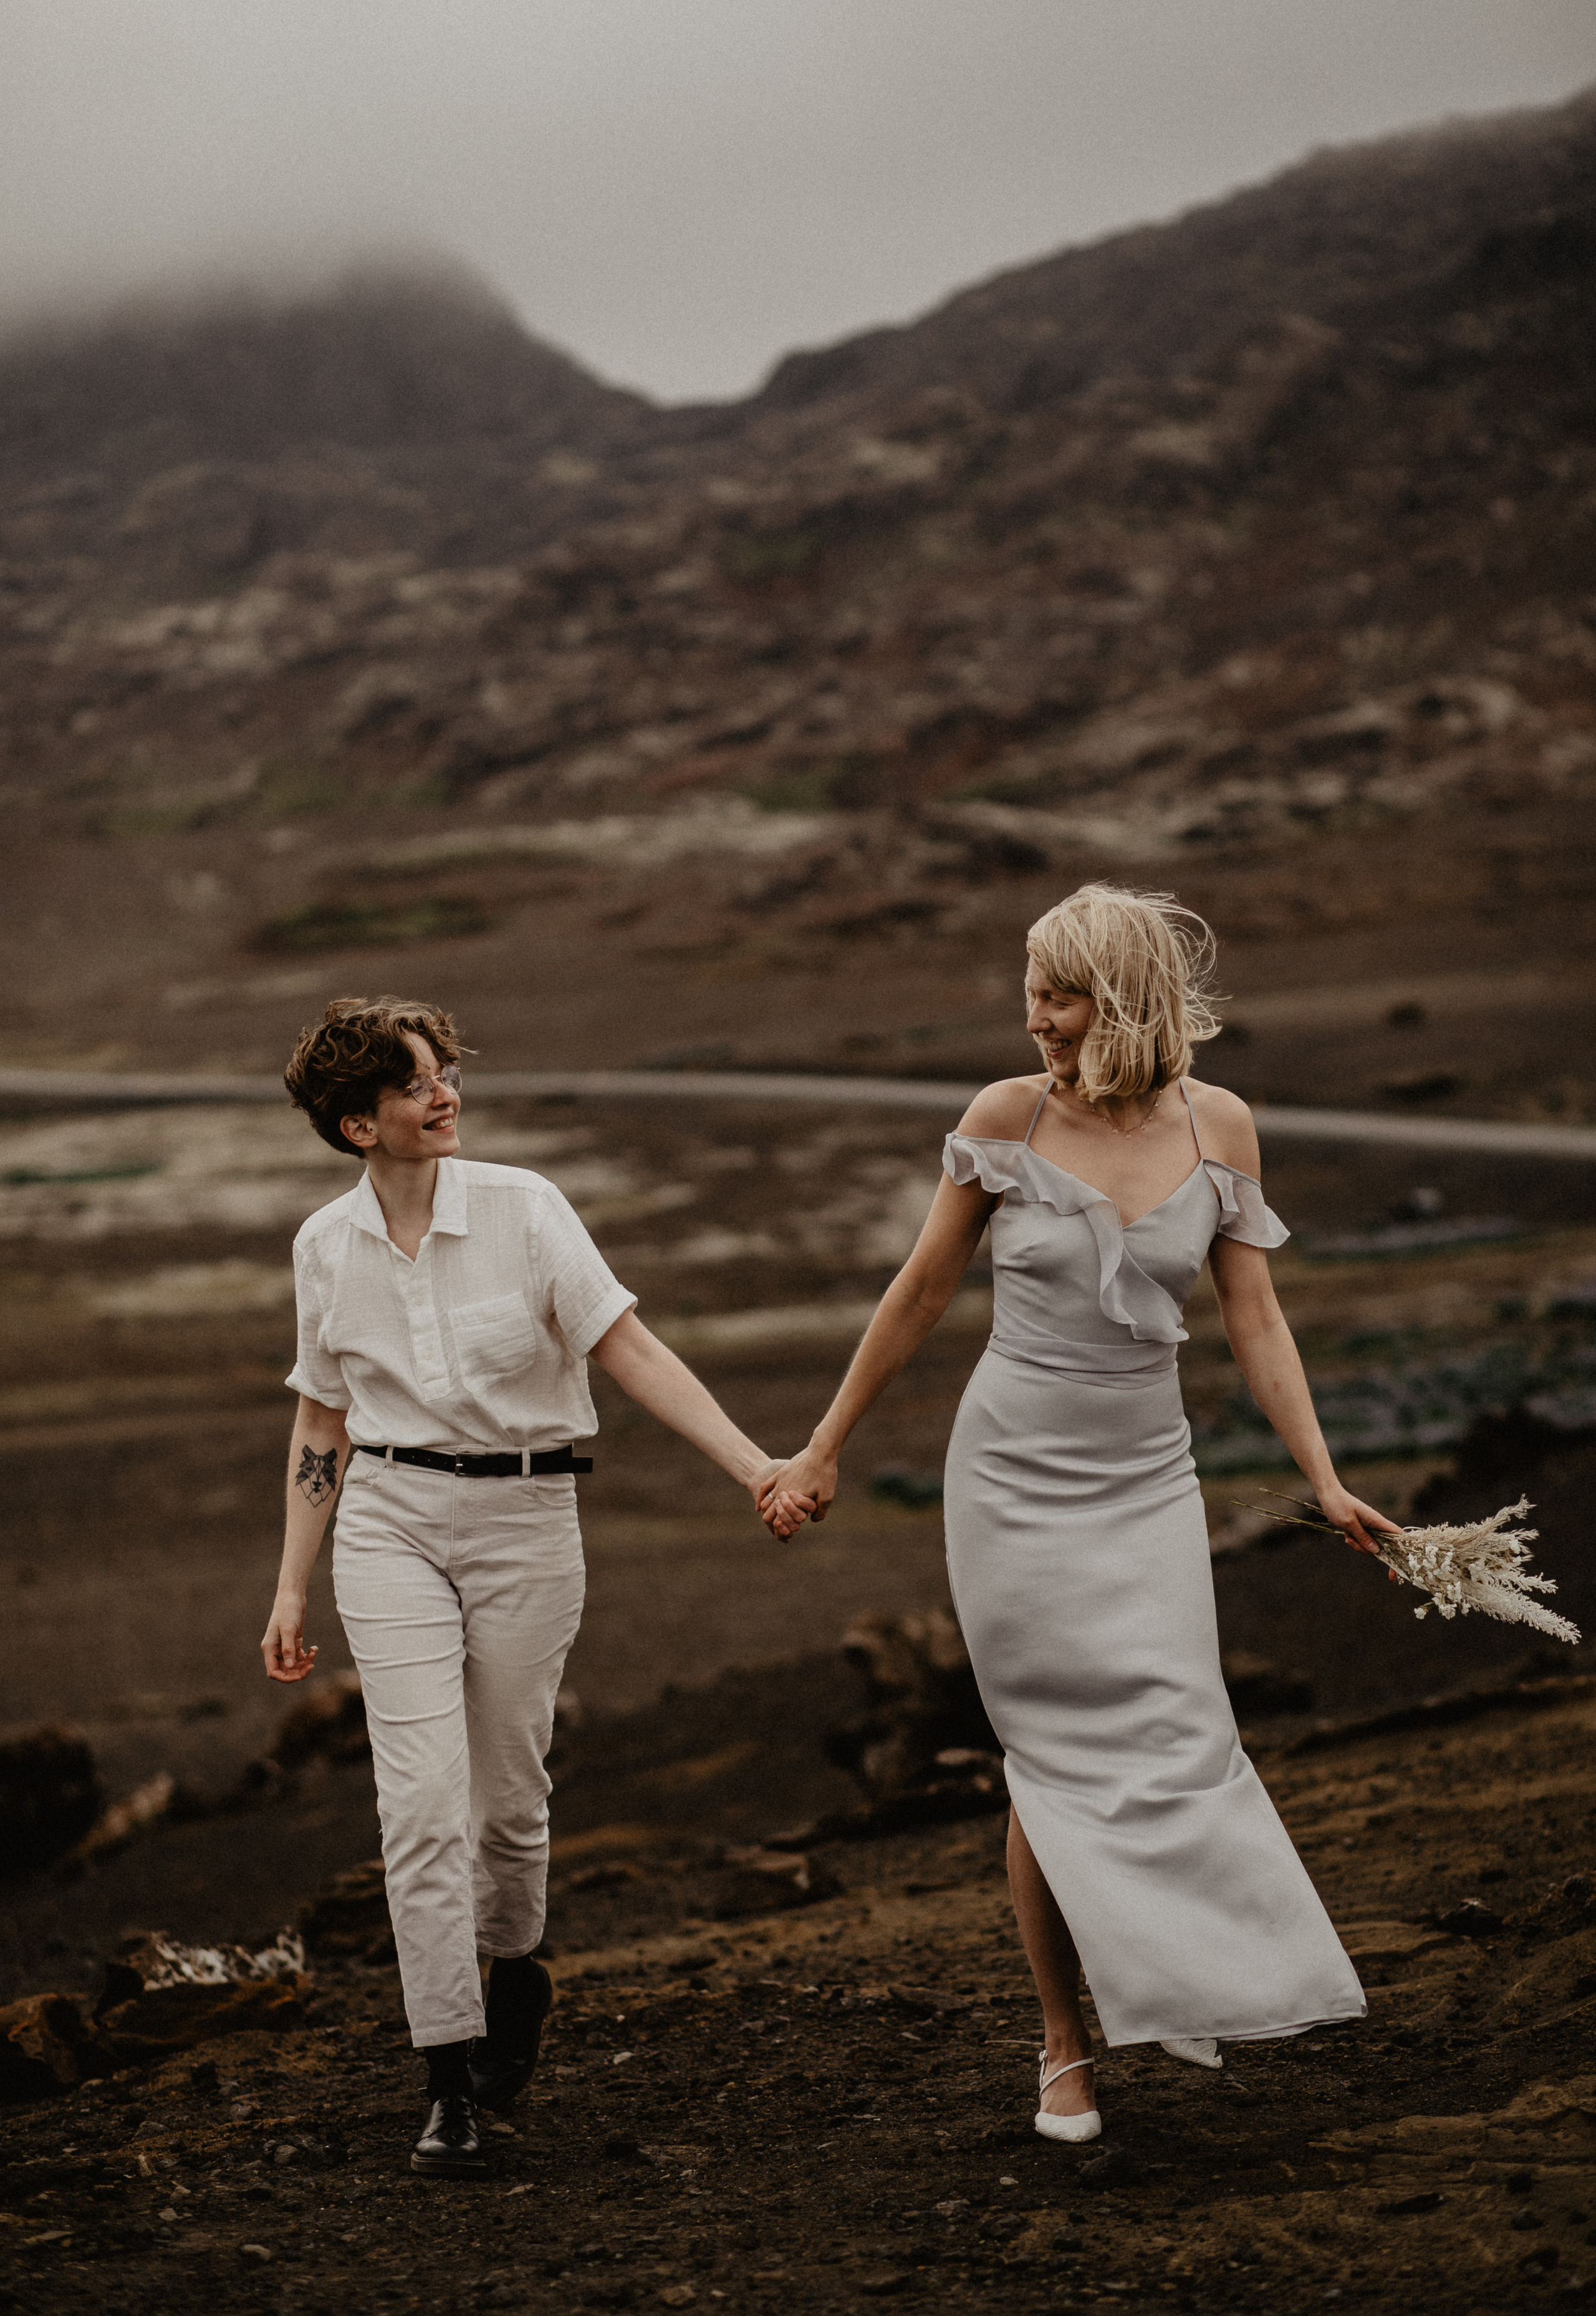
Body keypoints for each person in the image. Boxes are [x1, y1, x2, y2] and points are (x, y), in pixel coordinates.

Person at [760, 883, 1398, 2144]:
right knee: (1049, 1756)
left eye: (1056, 996)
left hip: (1146, 1476)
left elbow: (1255, 1318)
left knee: (1179, 1735)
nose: (1035, 1019)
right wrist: (822, 1448)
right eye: (1031, 995)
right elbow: (920, 1290)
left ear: (1120, 999)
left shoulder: (1221, 1126)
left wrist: (1323, 1480)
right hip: (1011, 1476)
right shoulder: (1007, 1116)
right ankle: (1063, 2044)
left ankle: (1199, 1980)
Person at [262, 996, 803, 2178]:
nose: (445, 1094)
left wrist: (756, 1466)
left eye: (444, 1072)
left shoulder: (525, 1208)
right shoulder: (323, 1247)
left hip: (526, 1519)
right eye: (416, 1084)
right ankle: (446, 2080)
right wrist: (292, 1586)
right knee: (419, 1805)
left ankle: (515, 1968)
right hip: (389, 1523)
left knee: (508, 1797)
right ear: (358, 1126)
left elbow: (627, 1347)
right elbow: (322, 1415)